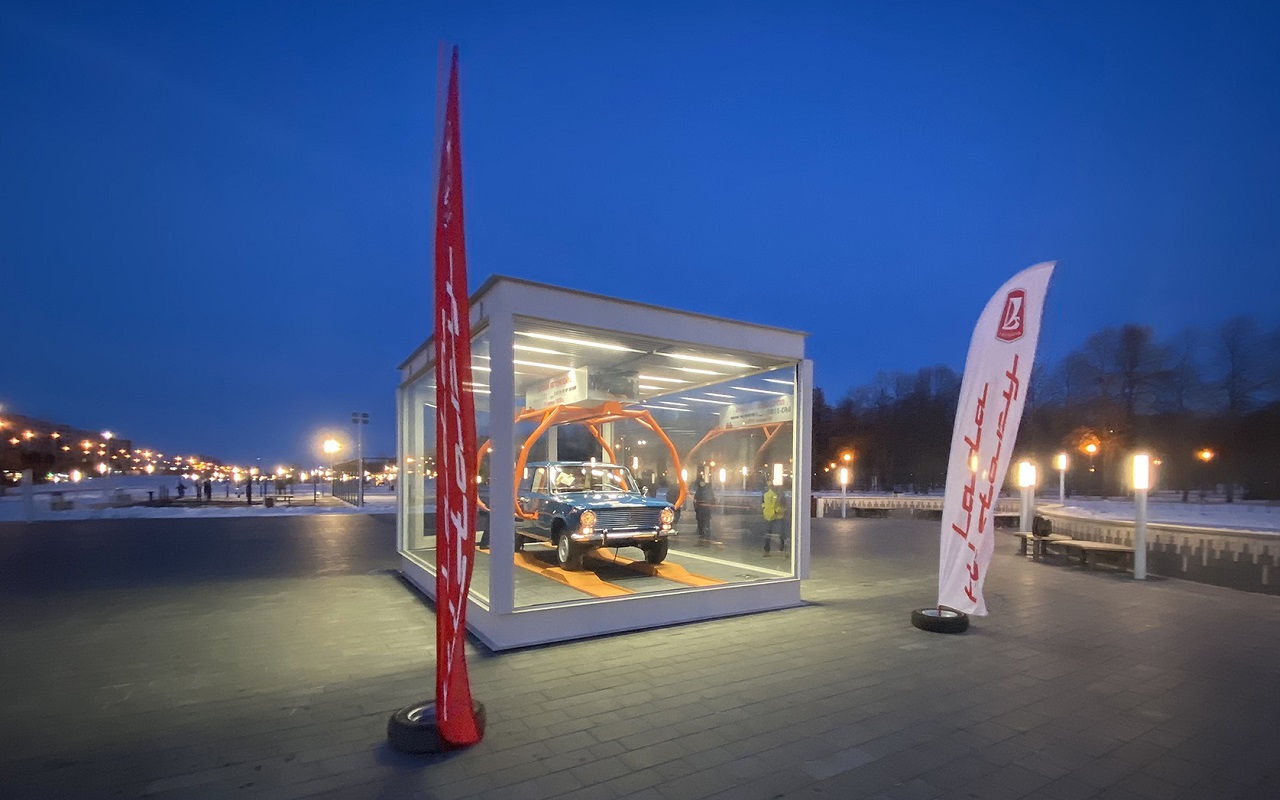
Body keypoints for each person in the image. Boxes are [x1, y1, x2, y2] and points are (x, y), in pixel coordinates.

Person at [762, 482, 787, 556]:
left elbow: (783, 505)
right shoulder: (768, 494)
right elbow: (764, 504)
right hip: (771, 516)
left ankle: (780, 549)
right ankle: (767, 550)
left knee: (779, 533)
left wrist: (777, 511)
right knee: (771, 534)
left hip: (774, 516)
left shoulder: (779, 494)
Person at [693, 469, 716, 546]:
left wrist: (711, 504)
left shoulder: (708, 490)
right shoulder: (699, 490)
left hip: (705, 508)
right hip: (700, 509)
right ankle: (701, 533)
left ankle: (706, 533)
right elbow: (695, 499)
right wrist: (696, 507)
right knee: (701, 521)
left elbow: (712, 498)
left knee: (706, 521)